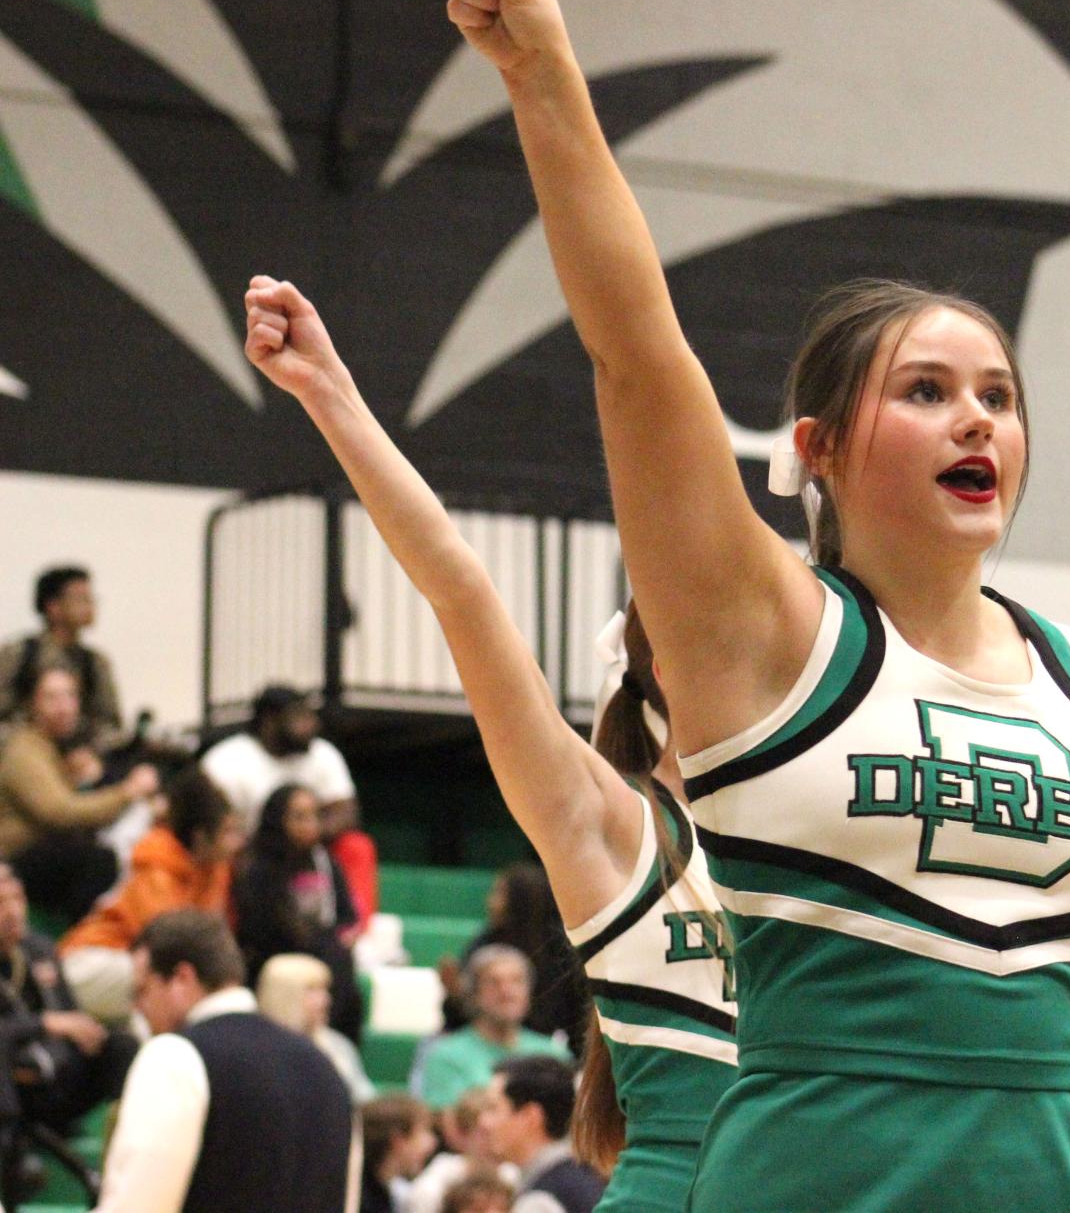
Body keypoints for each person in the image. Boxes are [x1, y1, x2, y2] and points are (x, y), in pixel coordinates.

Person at [445, 0, 1070, 1213]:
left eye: (999, 397)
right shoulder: (768, 637)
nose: (978, 421)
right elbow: (638, 356)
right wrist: (548, 80)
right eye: (928, 390)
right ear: (819, 449)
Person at [246, 276, 737, 1209]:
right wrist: (331, 393)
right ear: (670, 670)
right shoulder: (614, 822)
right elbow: (460, 587)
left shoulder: (817, 828)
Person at [96, 910, 356, 1212]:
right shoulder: (327, 1068)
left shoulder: (174, 1056)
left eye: (142, 990)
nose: (138, 1007)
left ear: (182, 979)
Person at [59, 769, 240, 1022]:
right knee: (167, 984)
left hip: (150, 968)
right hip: (96, 959)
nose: (238, 842)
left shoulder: (217, 869)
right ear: (200, 838)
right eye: (228, 833)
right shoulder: (156, 869)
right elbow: (166, 947)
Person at [200, 684, 380, 921]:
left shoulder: (323, 754)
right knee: (223, 858)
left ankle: (354, 929)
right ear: (270, 720)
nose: (312, 724)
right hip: (249, 849)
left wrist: (304, 833)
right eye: (300, 717)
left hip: (309, 849)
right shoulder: (227, 761)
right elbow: (210, 821)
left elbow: (346, 811)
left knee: (357, 846)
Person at [0, 666, 157, 926]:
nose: (63, 707)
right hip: (18, 857)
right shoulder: (24, 751)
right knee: (99, 861)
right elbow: (60, 812)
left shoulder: (52, 748)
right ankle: (80, 937)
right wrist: (127, 792)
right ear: (31, 704)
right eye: (51, 698)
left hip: (43, 850)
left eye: (70, 696)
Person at [0, 861, 137, 1139]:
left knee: (122, 1045)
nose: (13, 912)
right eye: (1, 903)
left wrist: (84, 1031)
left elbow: (71, 1016)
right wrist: (45, 1024)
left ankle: (126, 1139)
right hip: (12, 1081)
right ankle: (14, 1157)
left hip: (56, 1072)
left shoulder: (39, 950)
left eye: (18, 898)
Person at [230, 782, 364, 1040]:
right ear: (278, 820)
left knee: (344, 973)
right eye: (299, 817)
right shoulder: (256, 866)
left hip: (324, 954)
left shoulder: (325, 862)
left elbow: (347, 915)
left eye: (315, 816)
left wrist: (343, 937)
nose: (309, 825)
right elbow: (263, 928)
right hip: (273, 957)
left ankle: (334, 1047)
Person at [439, 863, 586, 1047]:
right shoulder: (485, 942)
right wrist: (457, 995)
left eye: (499, 893)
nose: (490, 901)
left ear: (521, 901)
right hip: (482, 1046)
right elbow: (456, 1021)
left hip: (540, 1050)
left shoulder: (559, 953)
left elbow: (573, 1020)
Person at [416, 946, 570, 1111]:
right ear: (474, 993)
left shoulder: (554, 1054)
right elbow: (447, 1120)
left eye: (517, 981)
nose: (506, 992)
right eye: (493, 982)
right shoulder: (445, 1056)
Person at [0, 564, 123, 748]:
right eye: (81, 599)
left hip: (82, 757)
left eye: (91, 599)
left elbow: (111, 724)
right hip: (27, 751)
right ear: (53, 606)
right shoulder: (19, 655)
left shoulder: (94, 663)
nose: (89, 606)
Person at [479, 1055, 605, 1213]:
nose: (483, 1121)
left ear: (530, 1117)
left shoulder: (540, 1202)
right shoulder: (587, 1176)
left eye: (493, 1108)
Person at [259, 953, 375, 1102]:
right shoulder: (258, 1051)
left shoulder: (338, 1045)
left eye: (324, 990)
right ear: (283, 996)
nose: (325, 1000)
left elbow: (365, 1099)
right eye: (312, 990)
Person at [361, 1094, 438, 1213]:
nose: (432, 1143)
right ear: (398, 1140)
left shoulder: (385, 1193)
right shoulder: (360, 1198)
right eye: (424, 1131)